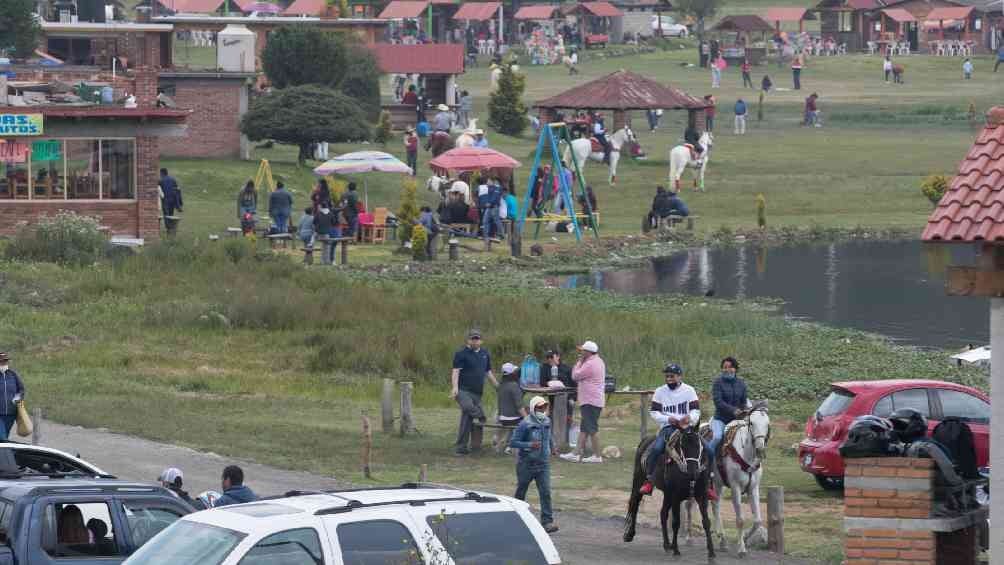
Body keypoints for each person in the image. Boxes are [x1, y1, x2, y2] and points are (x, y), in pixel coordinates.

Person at [638, 364, 703, 496]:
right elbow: (654, 412)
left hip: (687, 428)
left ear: (679, 376)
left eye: (672, 376)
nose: (669, 379)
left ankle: (708, 483)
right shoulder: (660, 391)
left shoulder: (689, 390)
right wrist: (668, 419)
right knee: (656, 448)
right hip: (668, 428)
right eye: (667, 376)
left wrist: (689, 418)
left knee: (708, 449)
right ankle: (649, 480)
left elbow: (696, 411)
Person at [510, 396, 559, 533]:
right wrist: (530, 445)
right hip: (526, 464)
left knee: (545, 492)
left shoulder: (547, 421)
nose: (542, 410)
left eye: (544, 407)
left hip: (543, 464)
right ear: (533, 408)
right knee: (521, 491)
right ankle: (516, 518)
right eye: (539, 407)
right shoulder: (524, 424)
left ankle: (547, 522)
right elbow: (513, 442)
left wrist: (553, 447)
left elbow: (548, 436)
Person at [451, 329, 498, 455]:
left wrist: (497, 386)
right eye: (473, 339)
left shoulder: (485, 354)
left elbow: (488, 372)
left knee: (467, 416)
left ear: (481, 341)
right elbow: (456, 372)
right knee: (468, 407)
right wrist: (455, 388)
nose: (475, 341)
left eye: (477, 339)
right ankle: (481, 414)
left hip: (477, 392)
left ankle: (468, 447)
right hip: (463, 390)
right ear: (468, 340)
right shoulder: (461, 354)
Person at [560, 340, 605, 463]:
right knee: (584, 428)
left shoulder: (589, 364)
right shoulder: (597, 361)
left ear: (588, 352)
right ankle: (576, 453)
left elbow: (575, 376)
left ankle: (597, 455)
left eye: (582, 351)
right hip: (592, 400)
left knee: (592, 428)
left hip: (590, 400)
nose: (580, 353)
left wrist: (579, 362)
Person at [708, 357, 749, 475]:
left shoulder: (741, 383)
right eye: (725, 367)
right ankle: (708, 462)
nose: (727, 369)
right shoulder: (717, 382)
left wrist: (743, 411)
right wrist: (733, 410)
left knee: (750, 435)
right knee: (717, 437)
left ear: (735, 369)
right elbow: (718, 402)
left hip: (737, 420)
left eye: (730, 367)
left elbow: (743, 401)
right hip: (720, 419)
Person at [495, 362, 525, 453]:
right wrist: (528, 418)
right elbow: (519, 407)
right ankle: (510, 446)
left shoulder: (500, 386)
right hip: (512, 419)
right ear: (512, 374)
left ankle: (507, 445)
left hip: (501, 418)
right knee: (522, 420)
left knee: (514, 422)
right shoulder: (514, 386)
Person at [0, 353, 24, 440]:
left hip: (11, 413)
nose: (4, 364)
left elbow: (21, 390)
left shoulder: (13, 374)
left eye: (5, 361)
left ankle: (3, 453)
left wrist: (18, 397)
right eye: (1, 362)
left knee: (5, 436)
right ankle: (9, 452)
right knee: (2, 438)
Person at [159, 168, 183, 234]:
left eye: (160, 173)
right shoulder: (173, 180)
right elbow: (177, 190)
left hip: (165, 200)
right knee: (171, 214)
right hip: (172, 200)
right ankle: (171, 228)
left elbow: (159, 190)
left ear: (162, 173)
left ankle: (168, 229)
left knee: (166, 215)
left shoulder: (161, 181)